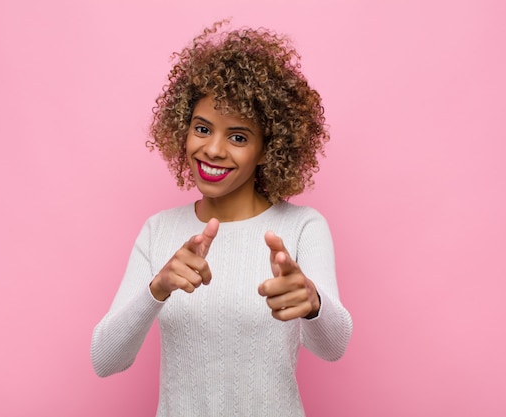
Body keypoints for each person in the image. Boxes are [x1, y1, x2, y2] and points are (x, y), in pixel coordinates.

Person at [91, 20, 353, 416]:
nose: (212, 149)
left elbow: (332, 348)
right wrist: (156, 288)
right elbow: (105, 360)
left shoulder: (302, 227)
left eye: (238, 136)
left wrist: (312, 302)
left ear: (268, 149)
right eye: (202, 128)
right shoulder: (159, 230)